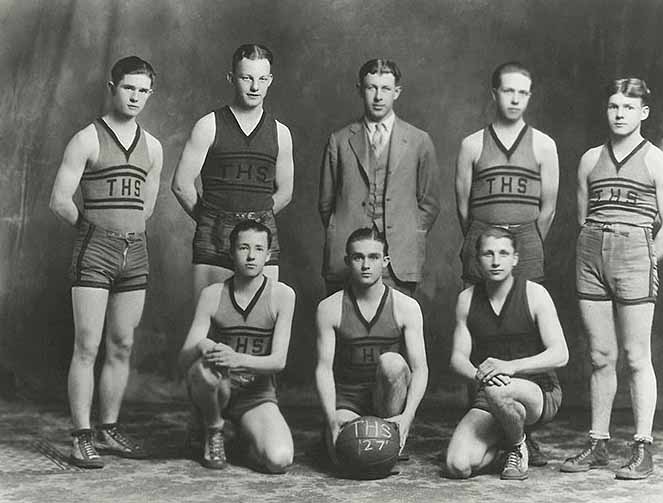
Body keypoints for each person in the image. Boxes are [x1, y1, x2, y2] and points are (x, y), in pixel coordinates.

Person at [561, 77, 663, 480]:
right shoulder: (589, 158)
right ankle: (597, 443)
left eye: (628, 108)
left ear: (643, 113)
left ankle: (642, 447)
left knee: (635, 356)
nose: (619, 114)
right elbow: (583, 218)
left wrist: (645, 260)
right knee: (600, 355)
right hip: (592, 252)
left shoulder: (657, 161)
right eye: (613, 106)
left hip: (635, 255)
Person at [49, 56, 163, 468]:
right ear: (112, 86)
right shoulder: (87, 139)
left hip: (136, 252)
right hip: (94, 249)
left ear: (150, 94)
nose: (135, 96)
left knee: (123, 343)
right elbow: (59, 201)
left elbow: (146, 208)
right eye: (128, 87)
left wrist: (122, 233)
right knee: (87, 345)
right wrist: (93, 230)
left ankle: (109, 428)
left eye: (143, 90)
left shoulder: (153, 147)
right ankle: (81, 435)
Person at [454, 61, 559, 465]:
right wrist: (487, 240)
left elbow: (547, 209)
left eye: (522, 92)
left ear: (529, 97)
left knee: (525, 331)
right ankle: (484, 419)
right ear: (493, 94)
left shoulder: (544, 145)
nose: (514, 99)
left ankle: (521, 432)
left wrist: (521, 245)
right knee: (479, 328)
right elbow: (463, 207)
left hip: (526, 240)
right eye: (507, 91)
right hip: (482, 234)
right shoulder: (472, 144)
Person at [445, 226, 567, 480]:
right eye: (488, 254)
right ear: (478, 259)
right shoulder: (467, 299)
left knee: (499, 390)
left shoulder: (535, 294)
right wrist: (482, 374)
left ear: (515, 259)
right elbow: (457, 359)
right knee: (457, 465)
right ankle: (505, 446)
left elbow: (560, 354)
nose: (496, 261)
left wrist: (510, 367)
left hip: (538, 390)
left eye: (503, 253)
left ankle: (517, 445)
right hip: (489, 390)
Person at [172, 43, 294, 298]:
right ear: (231, 78)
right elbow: (182, 184)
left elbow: (286, 191)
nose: (254, 87)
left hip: (261, 234)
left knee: (260, 324)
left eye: (261, 79)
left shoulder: (280, 132)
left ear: (270, 80)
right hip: (214, 235)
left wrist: (254, 223)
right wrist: (212, 219)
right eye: (246, 78)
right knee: (207, 324)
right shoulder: (208, 126)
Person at [178, 220, 295, 472]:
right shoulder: (212, 294)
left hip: (256, 395)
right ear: (231, 253)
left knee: (280, 459)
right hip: (220, 389)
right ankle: (213, 428)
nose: (251, 256)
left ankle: (241, 434)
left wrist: (237, 359)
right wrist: (204, 344)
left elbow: (278, 362)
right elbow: (183, 359)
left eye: (259, 249)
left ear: (268, 254)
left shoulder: (282, 295)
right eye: (243, 248)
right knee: (202, 369)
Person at [318, 59, 440, 296]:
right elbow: (326, 203)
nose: (378, 96)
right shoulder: (340, 141)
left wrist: (408, 231)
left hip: (399, 261)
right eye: (371, 87)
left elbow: (430, 203)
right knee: (346, 325)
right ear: (360, 89)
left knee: (397, 326)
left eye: (385, 89)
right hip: (349, 258)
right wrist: (344, 228)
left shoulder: (418, 141)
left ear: (397, 92)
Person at [315, 228, 429, 465]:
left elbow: (420, 369)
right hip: (349, 399)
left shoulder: (406, 306)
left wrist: (407, 417)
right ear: (348, 261)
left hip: (388, 399)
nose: (366, 264)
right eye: (358, 257)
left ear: (385, 261)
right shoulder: (329, 307)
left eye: (374, 257)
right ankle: (338, 432)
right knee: (345, 460)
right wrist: (331, 420)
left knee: (392, 362)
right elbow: (323, 369)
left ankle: (390, 429)